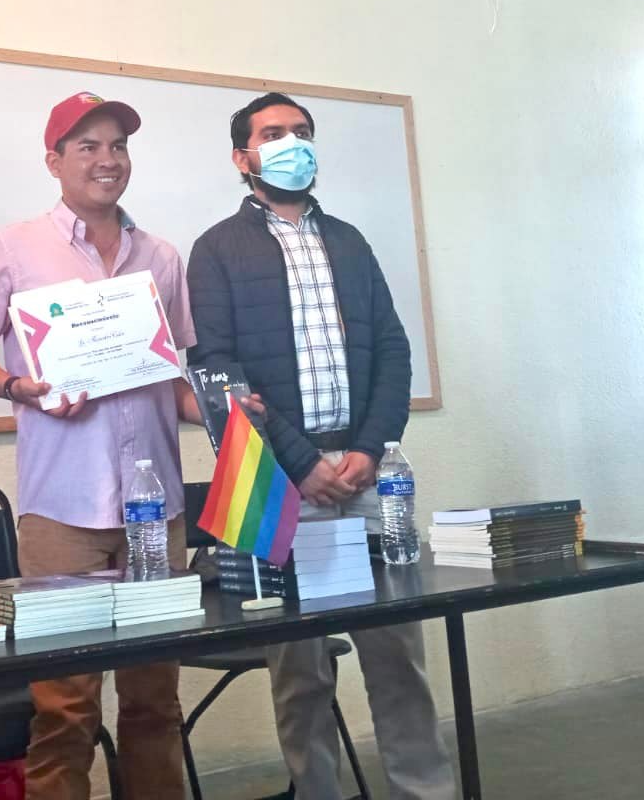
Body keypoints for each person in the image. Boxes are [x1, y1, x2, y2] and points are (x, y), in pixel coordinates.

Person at [186, 92, 455, 800]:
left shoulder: (350, 241)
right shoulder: (216, 250)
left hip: (366, 477)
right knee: (299, 670)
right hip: (279, 481)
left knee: (398, 655)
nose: (292, 143)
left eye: (302, 132)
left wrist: (369, 448)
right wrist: (301, 464)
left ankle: (423, 791)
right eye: (273, 133)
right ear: (242, 157)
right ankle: (317, 792)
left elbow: (393, 350)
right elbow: (218, 372)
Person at [0, 91, 199, 800]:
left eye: (118, 145)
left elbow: (172, 377)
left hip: (155, 512)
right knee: (64, 710)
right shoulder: (14, 246)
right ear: (53, 161)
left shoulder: (162, 256)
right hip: (61, 513)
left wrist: (225, 415)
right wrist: (18, 388)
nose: (107, 159)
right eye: (88, 146)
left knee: (155, 704)